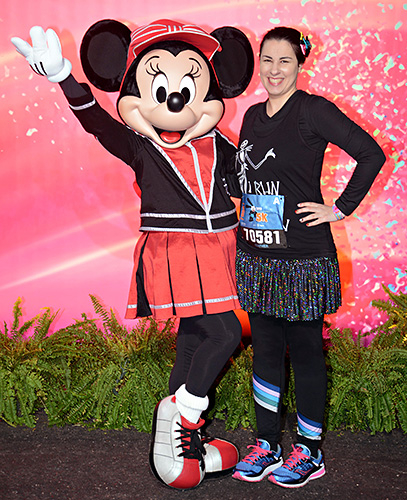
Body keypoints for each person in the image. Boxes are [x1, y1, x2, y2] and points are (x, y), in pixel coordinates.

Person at [11, 20, 254, 490]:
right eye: (160, 85)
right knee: (224, 331)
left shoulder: (220, 144)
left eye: (189, 85)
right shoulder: (139, 146)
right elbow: (97, 122)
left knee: (192, 335)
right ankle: (184, 415)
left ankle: (181, 439)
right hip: (175, 249)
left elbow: (245, 183)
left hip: (221, 245)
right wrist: (64, 76)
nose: (176, 99)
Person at [231, 27, 385, 489]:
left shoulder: (312, 110)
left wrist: (338, 209)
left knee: (305, 354)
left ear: (300, 66)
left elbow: (371, 154)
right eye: (267, 61)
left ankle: (309, 451)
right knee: (265, 353)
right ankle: (267, 443)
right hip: (257, 255)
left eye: (284, 62)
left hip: (302, 259)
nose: (274, 71)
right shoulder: (253, 116)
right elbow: (248, 178)